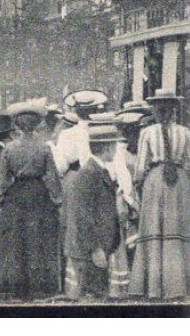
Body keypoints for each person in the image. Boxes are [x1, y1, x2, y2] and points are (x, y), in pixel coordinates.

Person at [129, 88, 190, 301]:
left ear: (155, 110)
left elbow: (139, 169)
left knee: (154, 228)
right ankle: (177, 288)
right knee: (178, 230)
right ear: (174, 110)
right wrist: (183, 179)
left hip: (155, 179)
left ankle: (154, 288)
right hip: (179, 181)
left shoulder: (147, 133)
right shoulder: (185, 132)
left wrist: (141, 185)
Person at [0, 100, 63, 302]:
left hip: (16, 195)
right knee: (36, 239)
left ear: (17, 125)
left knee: (14, 241)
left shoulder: (9, 149)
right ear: (36, 125)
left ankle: (14, 288)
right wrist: (57, 199)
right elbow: (52, 177)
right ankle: (38, 288)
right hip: (38, 194)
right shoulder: (44, 148)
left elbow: (2, 178)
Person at [63, 119, 123, 300]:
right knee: (92, 298)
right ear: (106, 148)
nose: (115, 150)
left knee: (97, 295)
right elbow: (82, 216)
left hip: (97, 248)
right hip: (88, 251)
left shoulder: (98, 170)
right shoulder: (88, 174)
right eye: (114, 146)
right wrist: (95, 248)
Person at [108, 103, 151, 299]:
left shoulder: (142, 149)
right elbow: (123, 180)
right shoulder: (120, 151)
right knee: (130, 240)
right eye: (133, 132)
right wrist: (130, 200)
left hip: (142, 196)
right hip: (127, 198)